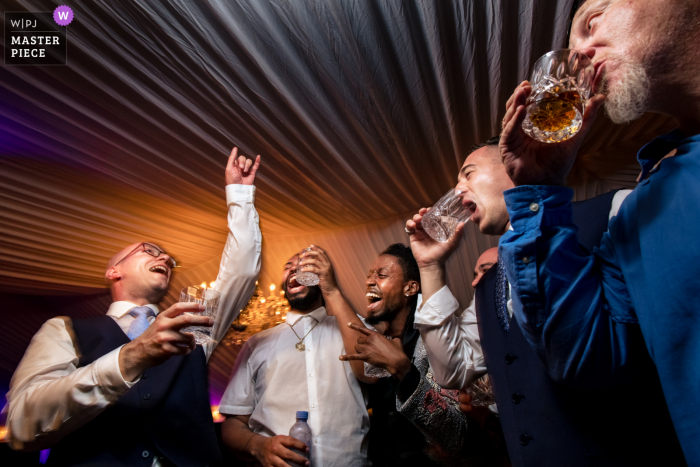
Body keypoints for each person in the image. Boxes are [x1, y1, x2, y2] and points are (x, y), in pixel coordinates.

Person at [498, 0, 700, 463]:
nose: (581, 55)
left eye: (592, 22)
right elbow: (585, 353)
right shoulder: (640, 210)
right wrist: (540, 192)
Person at [405, 138, 685, 466]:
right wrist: (430, 266)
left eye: (468, 173)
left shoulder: (613, 211)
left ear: (511, 165)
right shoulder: (488, 286)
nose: (458, 189)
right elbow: (452, 369)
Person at [4, 148, 262, 466]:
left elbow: (242, 272)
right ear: (114, 271)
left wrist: (240, 194)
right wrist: (130, 358)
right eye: (149, 250)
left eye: (168, 258)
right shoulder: (64, 329)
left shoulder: (190, 322)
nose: (165, 258)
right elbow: (21, 425)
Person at [300, 243, 508, 467]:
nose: (370, 281)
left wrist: (403, 370)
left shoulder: (439, 342)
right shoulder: (386, 339)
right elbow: (364, 370)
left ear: (410, 288)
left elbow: (454, 434)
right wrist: (331, 292)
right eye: (370, 275)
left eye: (381, 275)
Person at [219, 249, 370, 467]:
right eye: (288, 266)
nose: (294, 269)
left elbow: (370, 371)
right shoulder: (257, 343)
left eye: (305, 265)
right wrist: (258, 445)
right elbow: (233, 424)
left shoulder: (354, 329)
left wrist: (332, 290)